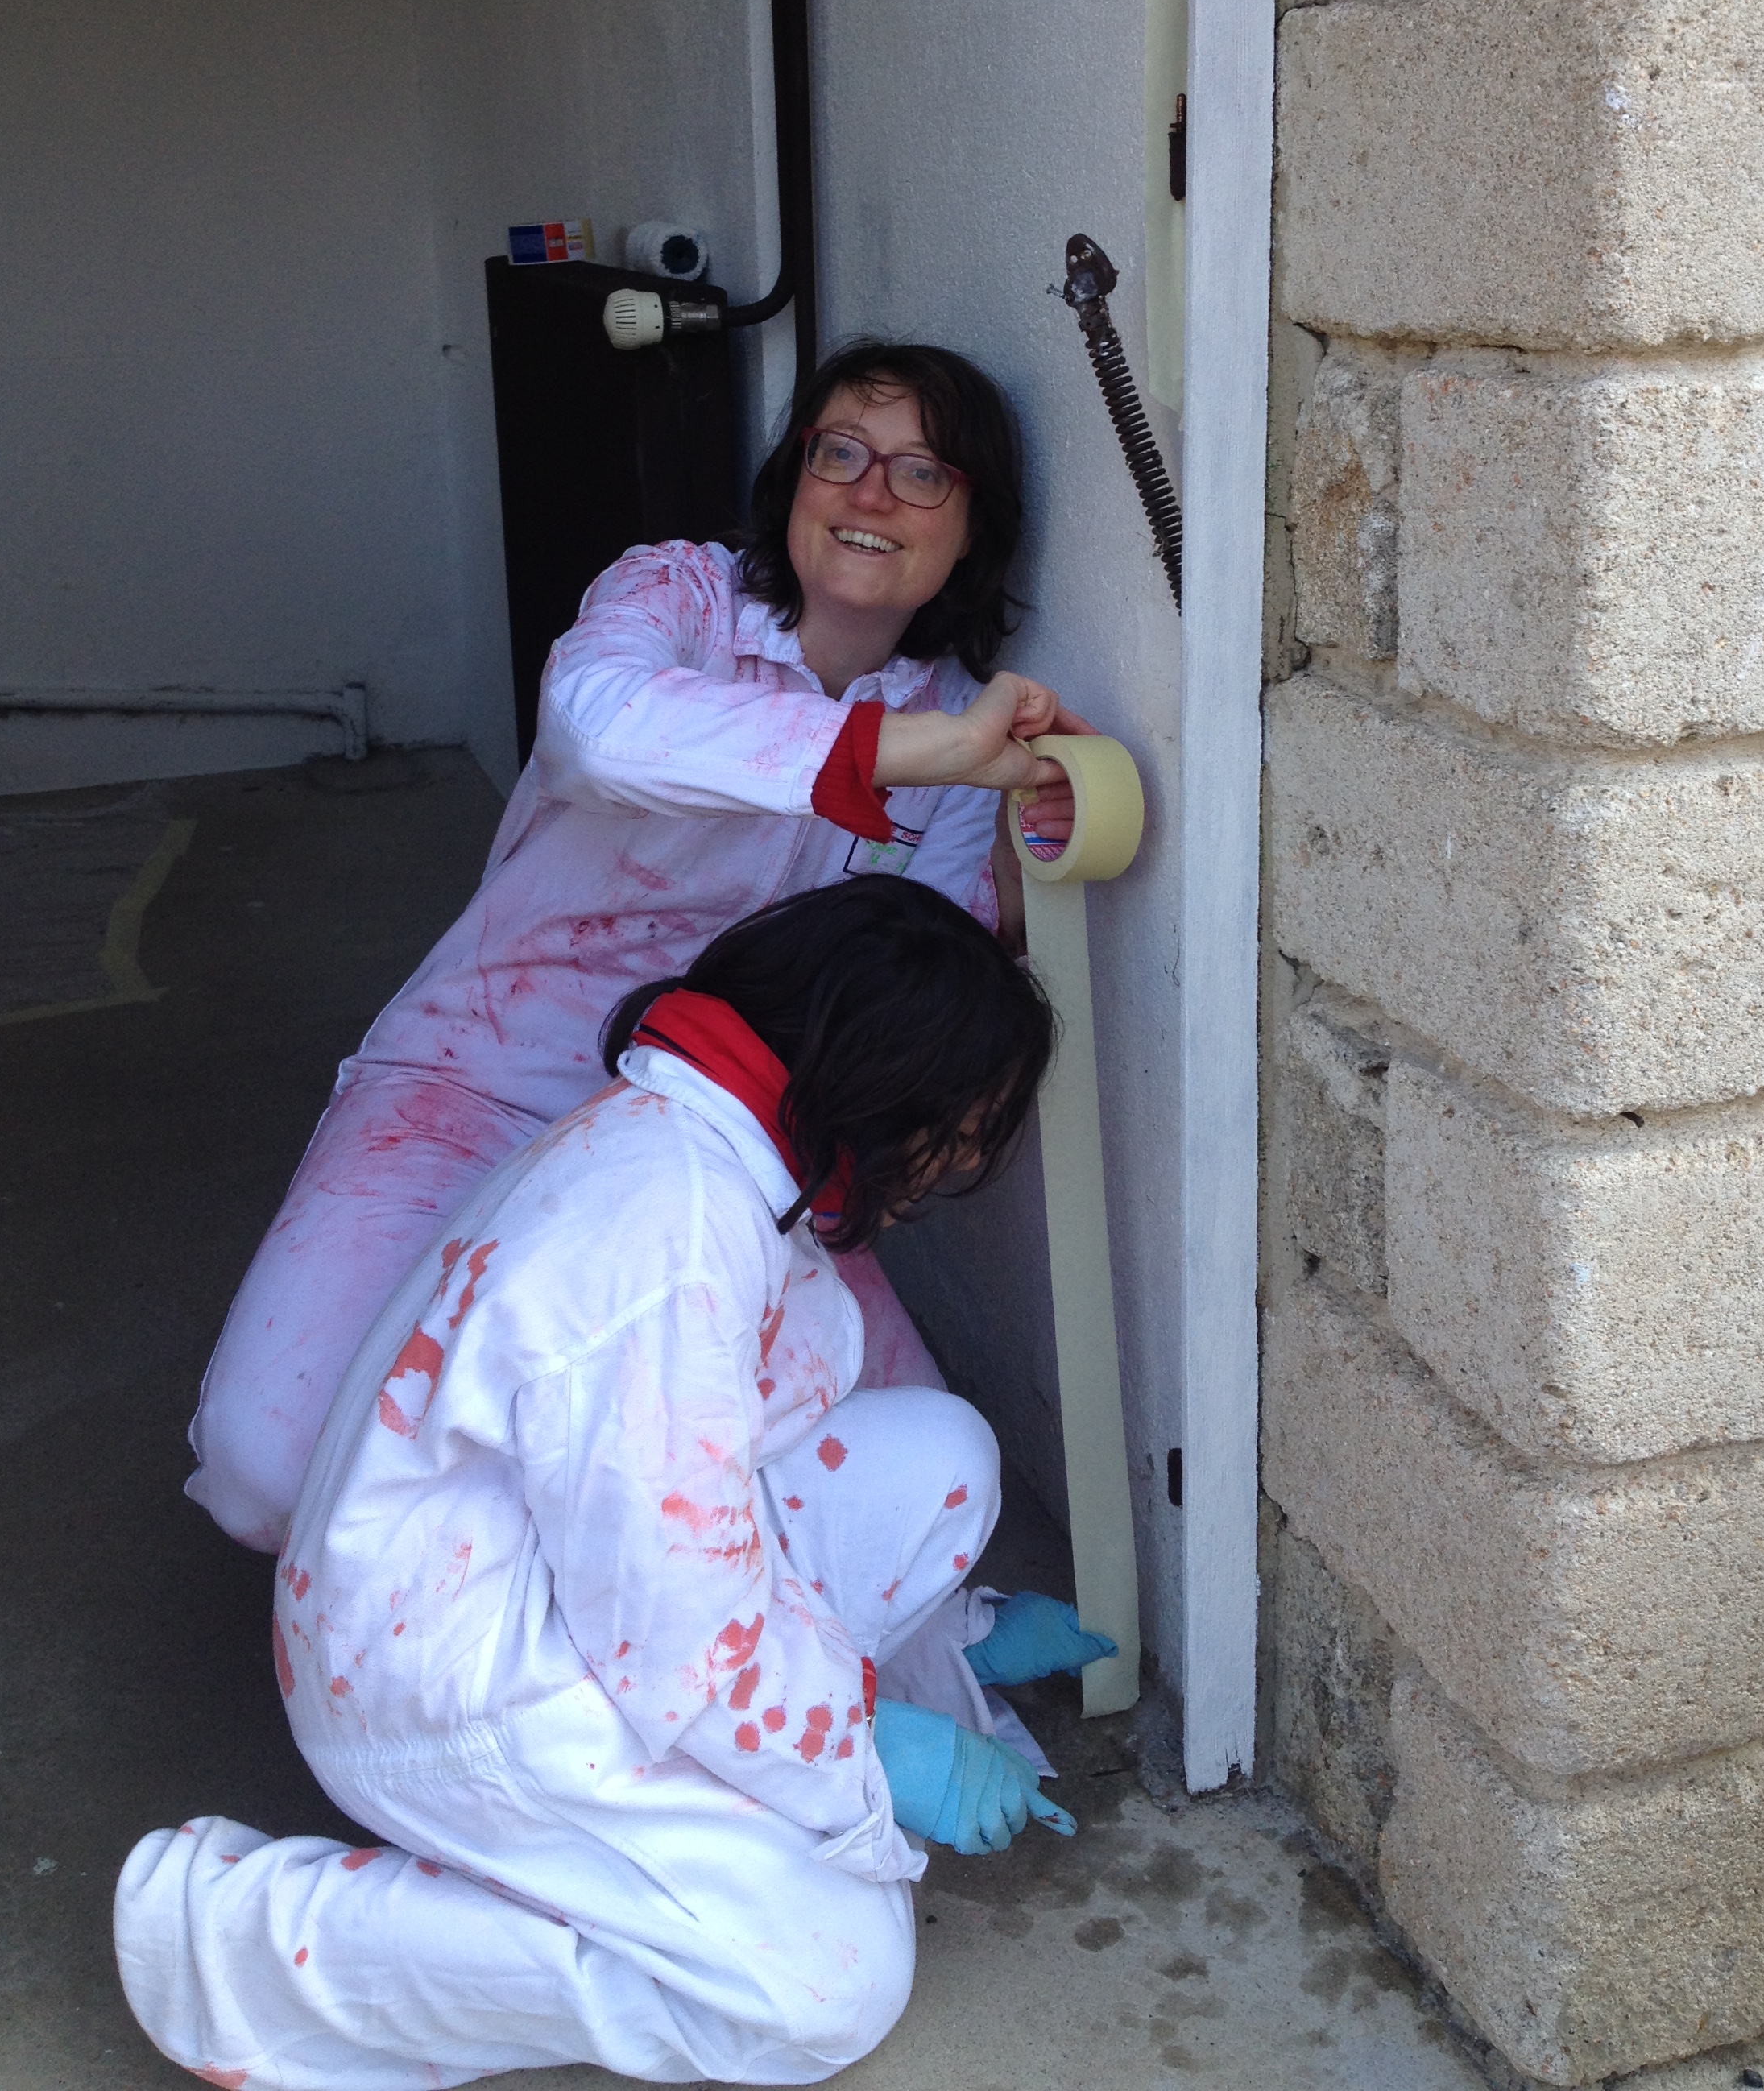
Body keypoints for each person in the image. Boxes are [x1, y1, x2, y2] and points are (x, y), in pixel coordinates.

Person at [118, 880, 1117, 2089]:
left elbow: (695, 1506)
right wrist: (858, 1752)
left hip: (533, 1574)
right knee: (830, 1984)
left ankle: (780, 1767)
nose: (953, 1162)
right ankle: (250, 1946)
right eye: (956, 1129)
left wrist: (935, 1647)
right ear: (878, 1077)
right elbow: (675, 1623)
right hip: (452, 1686)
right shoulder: (670, 1239)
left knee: (943, 1458)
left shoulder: (703, 1141)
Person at [189, 342, 1092, 1551]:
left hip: (726, 1142)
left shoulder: (955, 725)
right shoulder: (680, 595)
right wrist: (909, 753)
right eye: (841, 453)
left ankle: (587, 1570)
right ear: (796, 477)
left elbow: (919, 968)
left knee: (905, 1485)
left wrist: (1031, 850)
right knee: (270, 1471)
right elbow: (596, 730)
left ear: (975, 528)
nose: (871, 493)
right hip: (475, 1080)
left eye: (924, 473)